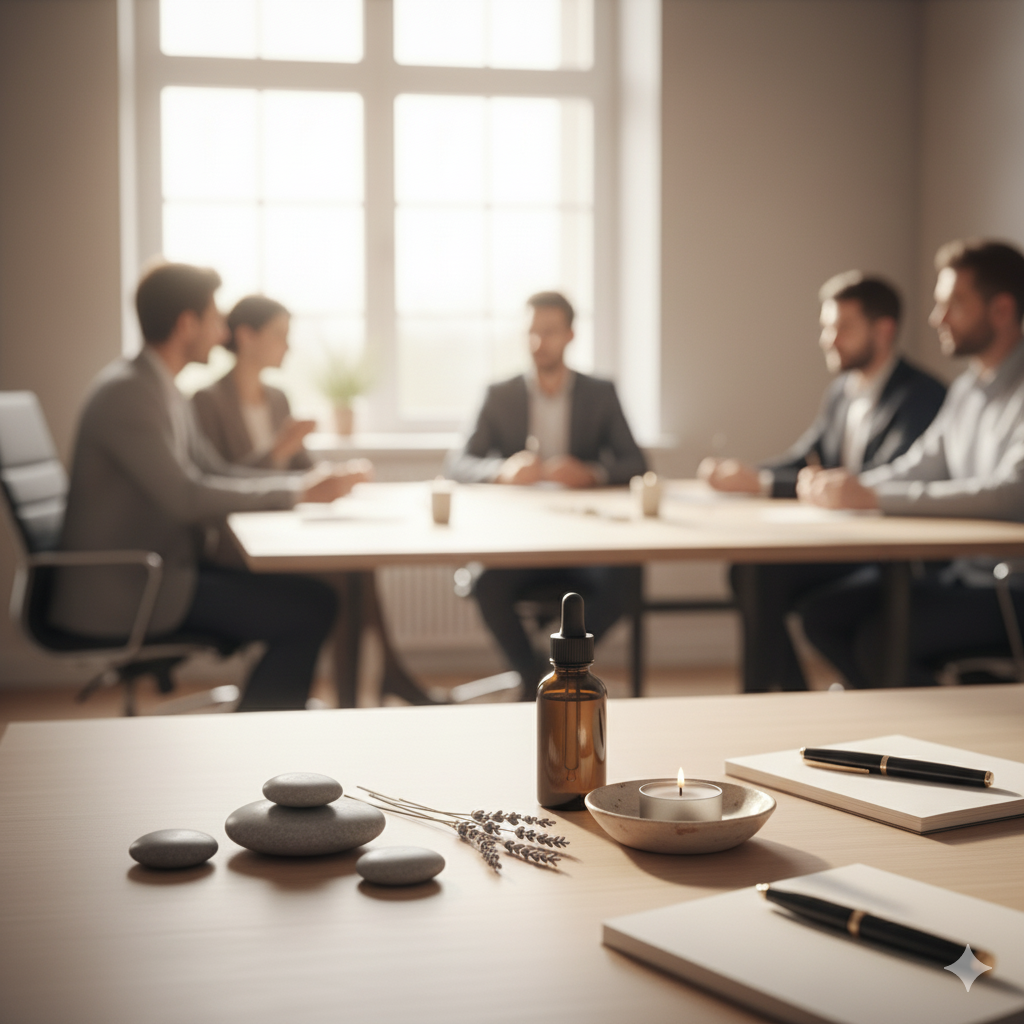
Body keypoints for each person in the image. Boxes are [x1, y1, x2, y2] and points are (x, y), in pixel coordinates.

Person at [49, 262, 369, 712]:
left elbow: (217, 472)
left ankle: (260, 725)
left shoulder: (160, 389)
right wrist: (296, 493)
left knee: (313, 592)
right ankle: (261, 737)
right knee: (312, 607)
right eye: (216, 319)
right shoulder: (129, 393)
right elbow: (186, 497)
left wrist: (302, 483)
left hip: (160, 572)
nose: (223, 334)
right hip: (132, 588)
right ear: (186, 323)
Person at [698, 273, 946, 691]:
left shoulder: (921, 395)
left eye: (842, 327)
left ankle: (773, 700)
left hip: (887, 550)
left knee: (764, 577)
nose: (828, 339)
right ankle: (790, 696)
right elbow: (804, 456)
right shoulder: (840, 393)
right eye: (827, 327)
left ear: (883, 330)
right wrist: (750, 477)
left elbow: (875, 483)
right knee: (750, 571)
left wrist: (764, 486)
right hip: (838, 542)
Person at [797, 240, 1024, 688]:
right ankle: (902, 718)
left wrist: (875, 496)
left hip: (1009, 588)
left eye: (953, 304)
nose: (937, 319)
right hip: (962, 576)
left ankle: (926, 729)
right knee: (822, 616)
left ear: (1001, 310)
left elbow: (1012, 492)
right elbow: (921, 464)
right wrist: (851, 487)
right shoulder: (966, 389)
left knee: (880, 641)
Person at [191, 294, 436, 707]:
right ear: (246, 336)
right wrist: (277, 451)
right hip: (235, 545)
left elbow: (302, 468)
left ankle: (368, 689)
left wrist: (336, 476)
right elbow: (220, 483)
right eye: (280, 335)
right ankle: (380, 684)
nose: (288, 346)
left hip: (283, 530)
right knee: (346, 577)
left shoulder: (277, 398)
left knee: (357, 568)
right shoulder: (206, 402)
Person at [447, 291, 647, 698]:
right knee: (486, 583)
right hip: (521, 543)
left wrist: (590, 473)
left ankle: (565, 668)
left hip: (585, 544)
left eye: (549, 332)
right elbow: (457, 464)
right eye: (532, 333)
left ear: (570, 335)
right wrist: (502, 471)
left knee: (629, 579)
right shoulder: (499, 394)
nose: (539, 343)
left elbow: (637, 464)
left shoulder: (600, 392)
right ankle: (534, 676)